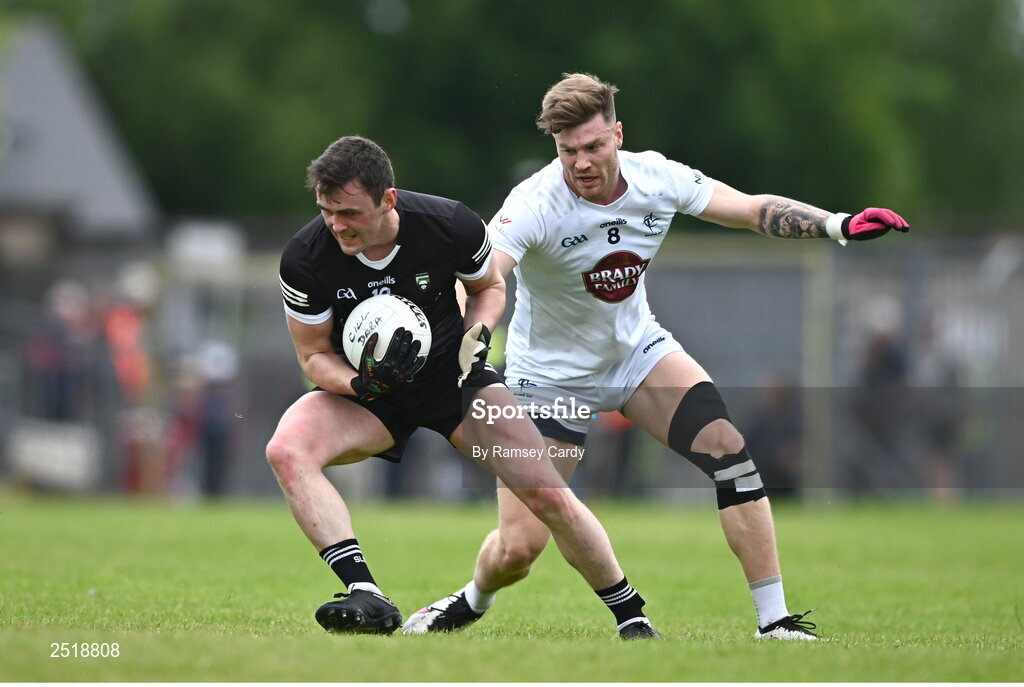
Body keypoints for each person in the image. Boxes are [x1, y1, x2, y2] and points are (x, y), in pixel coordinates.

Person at [402, 73, 910, 641]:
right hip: (547, 380)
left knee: (730, 452)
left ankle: (775, 622)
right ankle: (473, 598)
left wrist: (837, 225)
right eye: (568, 151)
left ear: (617, 135)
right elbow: (485, 273)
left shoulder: (657, 177)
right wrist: (460, 329)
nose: (582, 163)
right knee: (519, 548)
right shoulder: (535, 202)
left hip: (637, 356)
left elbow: (746, 209)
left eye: (594, 147)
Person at [267, 135, 659, 639]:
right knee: (287, 449)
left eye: (348, 213)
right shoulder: (305, 257)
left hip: (455, 384)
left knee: (546, 495)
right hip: (368, 393)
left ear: (388, 199)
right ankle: (367, 594)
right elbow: (313, 355)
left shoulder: (448, 223)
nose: (336, 225)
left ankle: (632, 617)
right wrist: (360, 382)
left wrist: (476, 339)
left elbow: (490, 287)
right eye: (326, 211)